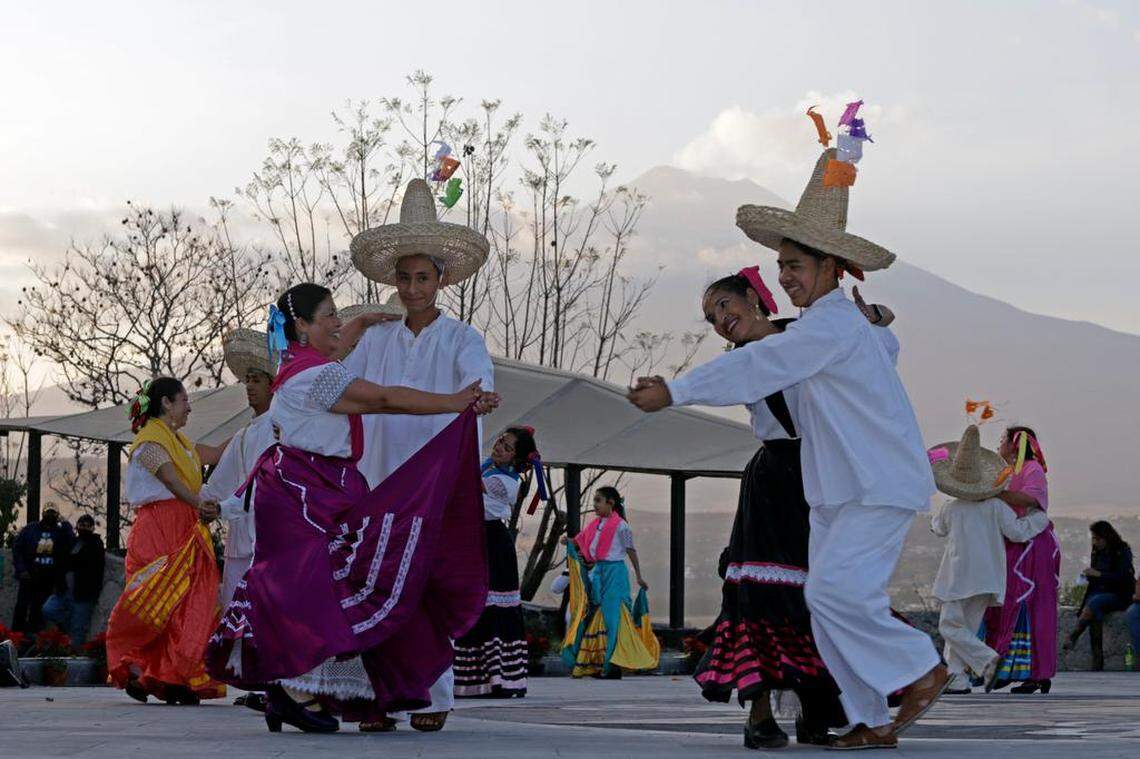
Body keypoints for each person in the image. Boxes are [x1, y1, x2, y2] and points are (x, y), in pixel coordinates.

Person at [628, 149, 944, 750]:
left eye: (795, 265)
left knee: (829, 594)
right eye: (781, 266)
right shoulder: (835, 328)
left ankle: (918, 670)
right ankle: (870, 715)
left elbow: (767, 363)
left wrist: (674, 390)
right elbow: (865, 350)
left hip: (872, 484)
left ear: (832, 266)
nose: (786, 277)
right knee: (823, 603)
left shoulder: (825, 326)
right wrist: (878, 324)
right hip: (832, 488)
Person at [206, 283, 498, 735]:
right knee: (339, 588)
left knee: (322, 590)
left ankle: (300, 691)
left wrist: (360, 322)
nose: (337, 324)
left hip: (304, 488)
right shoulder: (316, 378)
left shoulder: (295, 365)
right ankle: (294, 689)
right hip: (309, 492)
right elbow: (384, 398)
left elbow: (339, 349)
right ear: (301, 326)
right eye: (328, 316)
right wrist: (453, 402)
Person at [682, 269, 894, 749]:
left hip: (824, 472)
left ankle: (818, 711)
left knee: (821, 593)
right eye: (712, 316)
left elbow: (879, 351)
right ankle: (759, 717)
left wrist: (875, 317)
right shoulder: (744, 362)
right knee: (762, 591)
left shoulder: (807, 336)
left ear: (754, 298)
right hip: (775, 479)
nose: (720, 319)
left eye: (724, 305)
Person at [343, 177, 493, 732]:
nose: (411, 288)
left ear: (442, 279)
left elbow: (476, 387)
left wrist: (477, 400)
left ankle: (433, 694)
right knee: (373, 582)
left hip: (431, 483)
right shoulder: (376, 340)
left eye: (422, 277)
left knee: (423, 584)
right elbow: (345, 389)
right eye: (404, 278)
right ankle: (378, 696)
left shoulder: (462, 339)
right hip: (378, 477)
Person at [105, 377, 228, 705]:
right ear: (166, 404)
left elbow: (217, 453)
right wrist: (199, 503)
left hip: (186, 526)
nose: (189, 406)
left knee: (190, 603)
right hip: (159, 527)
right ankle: (145, 670)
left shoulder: (183, 444)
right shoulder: (149, 443)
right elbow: (170, 480)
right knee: (162, 602)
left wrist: (257, 428)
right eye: (184, 399)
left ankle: (172, 677)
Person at [928, 425, 1048, 695]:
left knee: (949, 625)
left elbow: (938, 529)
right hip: (989, 577)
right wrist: (1038, 519)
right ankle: (956, 678)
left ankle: (986, 660)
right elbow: (1017, 532)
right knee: (965, 628)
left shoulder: (951, 508)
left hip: (958, 576)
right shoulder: (996, 506)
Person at [453, 427, 540, 699]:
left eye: (508, 447)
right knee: (476, 605)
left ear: (516, 459)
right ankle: (476, 678)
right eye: (501, 441)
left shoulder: (506, 482)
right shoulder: (488, 468)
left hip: (493, 543)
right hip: (476, 539)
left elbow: (468, 483)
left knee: (493, 606)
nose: (500, 446)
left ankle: (500, 678)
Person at [983, 425, 1061, 694]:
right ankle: (1009, 668)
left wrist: (994, 493)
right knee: (1007, 606)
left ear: (1015, 444)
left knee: (1032, 606)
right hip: (1012, 544)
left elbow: (1030, 499)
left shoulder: (1031, 468)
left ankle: (1037, 672)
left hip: (1033, 546)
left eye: (1002, 439)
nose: (999, 444)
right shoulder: (1005, 470)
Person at [559, 486, 658, 680]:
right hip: (599, 572)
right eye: (595, 500)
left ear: (610, 503)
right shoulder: (595, 525)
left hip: (615, 573)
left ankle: (612, 665)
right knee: (597, 616)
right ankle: (601, 663)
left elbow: (631, 551)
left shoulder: (622, 526)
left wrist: (638, 576)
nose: (595, 505)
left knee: (614, 619)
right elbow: (580, 542)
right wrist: (567, 541)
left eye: (598, 500)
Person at [1064, 520, 1135, 671]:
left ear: (1106, 537)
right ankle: (1097, 661)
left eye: (1097, 538)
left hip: (1120, 594)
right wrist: (1089, 576)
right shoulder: (1097, 552)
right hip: (1099, 592)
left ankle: (1075, 635)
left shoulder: (1121, 551)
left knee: (1095, 602)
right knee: (1094, 611)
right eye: (1093, 538)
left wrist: (1098, 574)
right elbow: (1097, 577)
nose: (1095, 542)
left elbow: (1122, 578)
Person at [42, 514, 105, 646]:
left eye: (88, 526)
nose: (85, 528)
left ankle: (74, 661)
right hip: (65, 590)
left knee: (77, 633)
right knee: (48, 609)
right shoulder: (73, 542)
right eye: (82, 525)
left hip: (84, 595)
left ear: (93, 528)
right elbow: (61, 556)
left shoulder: (95, 544)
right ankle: (67, 626)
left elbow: (90, 564)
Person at [11, 507, 73, 636]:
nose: (50, 514)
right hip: (29, 576)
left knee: (39, 610)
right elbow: (17, 548)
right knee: (22, 607)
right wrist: (21, 569)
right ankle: (15, 638)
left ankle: (35, 640)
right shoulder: (30, 529)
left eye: (53, 512)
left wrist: (66, 524)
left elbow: (71, 543)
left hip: (48, 578)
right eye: (48, 512)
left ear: (57, 514)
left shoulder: (61, 531)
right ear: (42, 513)